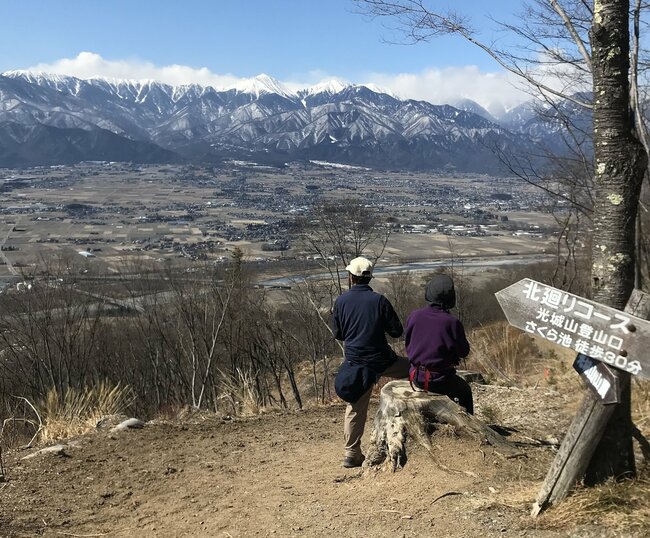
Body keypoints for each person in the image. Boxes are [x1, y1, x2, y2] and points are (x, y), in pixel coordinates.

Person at [332, 256, 409, 468]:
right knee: (414, 372)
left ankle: (351, 453)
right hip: (382, 359)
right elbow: (396, 331)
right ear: (369, 278)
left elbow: (338, 334)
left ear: (351, 277)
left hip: (356, 363)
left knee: (356, 407)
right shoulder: (379, 301)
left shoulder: (340, 302)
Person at [404, 274, 473, 414]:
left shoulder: (414, 316)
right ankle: (469, 429)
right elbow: (464, 351)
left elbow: (408, 344)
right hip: (441, 380)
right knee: (465, 391)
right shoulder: (451, 322)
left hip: (416, 377)